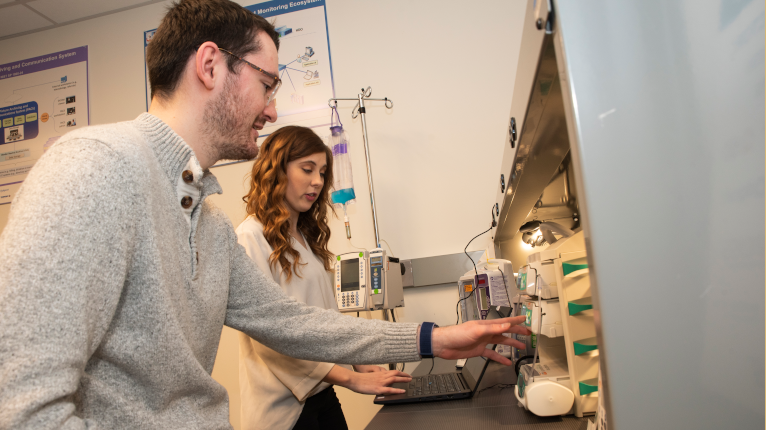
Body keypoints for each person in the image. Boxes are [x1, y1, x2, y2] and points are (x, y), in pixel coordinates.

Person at [0, 1, 531, 429]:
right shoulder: (93, 169)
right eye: (268, 83)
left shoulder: (208, 226)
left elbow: (295, 325)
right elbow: (21, 409)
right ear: (211, 66)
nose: (273, 109)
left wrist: (433, 338)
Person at [236, 126, 411, 430]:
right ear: (277, 170)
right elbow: (271, 340)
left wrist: (359, 360)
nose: (317, 181)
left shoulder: (304, 237)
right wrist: (350, 378)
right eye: (307, 169)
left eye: (322, 172)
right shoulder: (249, 238)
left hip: (321, 392)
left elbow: (325, 319)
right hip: (283, 409)